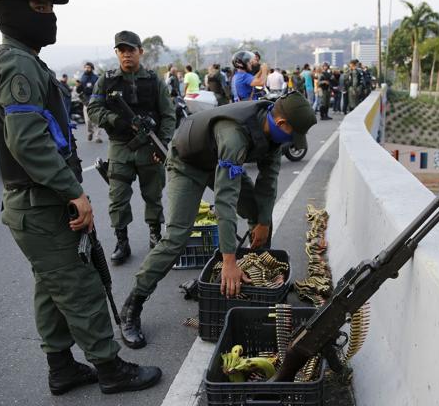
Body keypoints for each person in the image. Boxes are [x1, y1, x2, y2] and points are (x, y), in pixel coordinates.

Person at [0, 0, 161, 395]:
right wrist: (73, 191)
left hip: (34, 202)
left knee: (52, 287)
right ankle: (110, 369)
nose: (50, 17)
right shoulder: (17, 63)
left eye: (50, 9)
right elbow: (27, 141)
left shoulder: (24, 59)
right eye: (40, 8)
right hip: (42, 202)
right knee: (79, 286)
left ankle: (61, 368)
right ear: (11, 11)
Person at [117, 91, 316, 349]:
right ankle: (133, 305)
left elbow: (268, 184)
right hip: (186, 165)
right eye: (293, 135)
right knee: (176, 237)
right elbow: (226, 202)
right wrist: (229, 261)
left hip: (218, 161)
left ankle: (259, 283)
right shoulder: (235, 136)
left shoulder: (273, 135)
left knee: (258, 216)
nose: (292, 142)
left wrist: (263, 222)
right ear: (281, 124)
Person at [87, 30, 176, 264]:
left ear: (140, 52)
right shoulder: (106, 80)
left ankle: (155, 234)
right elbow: (93, 110)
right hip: (120, 147)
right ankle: (121, 241)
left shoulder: (154, 80)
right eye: (121, 50)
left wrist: (162, 143)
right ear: (117, 53)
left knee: (153, 194)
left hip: (149, 146)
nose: (126, 55)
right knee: (117, 197)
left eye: (131, 50)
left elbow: (168, 114)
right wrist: (116, 119)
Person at [78, 62, 101, 142]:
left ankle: (97, 136)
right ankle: (90, 132)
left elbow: (100, 88)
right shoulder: (82, 78)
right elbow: (79, 90)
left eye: (88, 67)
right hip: (86, 101)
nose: (87, 69)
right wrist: (79, 87)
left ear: (92, 68)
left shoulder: (96, 78)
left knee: (96, 119)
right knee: (88, 120)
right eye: (86, 67)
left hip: (95, 100)